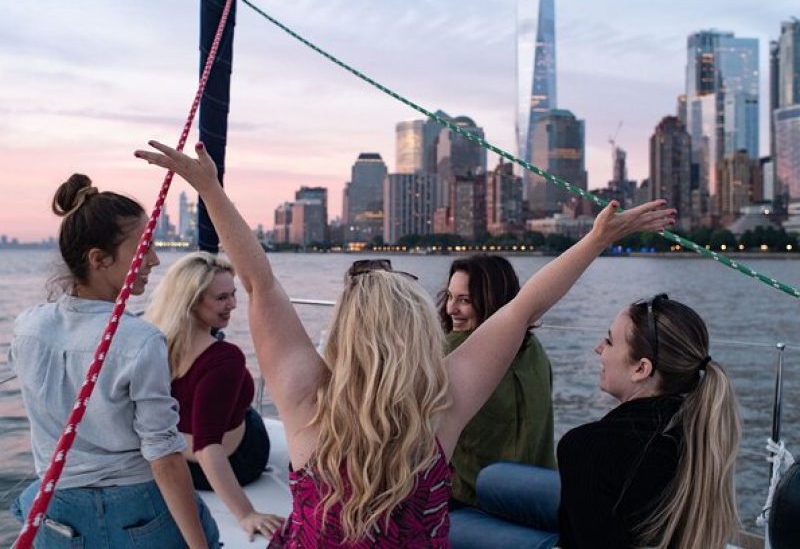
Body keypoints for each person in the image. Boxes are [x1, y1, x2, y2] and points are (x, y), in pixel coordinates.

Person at [135, 140, 673, 548]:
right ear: (419, 331)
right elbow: (525, 306)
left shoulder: (304, 398)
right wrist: (597, 240)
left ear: (345, 330)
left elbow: (259, 282)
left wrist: (209, 188)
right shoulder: (444, 407)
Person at [9, 174, 219, 548]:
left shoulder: (27, 328)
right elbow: (164, 458)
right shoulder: (140, 341)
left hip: (57, 505)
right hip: (136, 507)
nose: (154, 260)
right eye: (143, 248)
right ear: (98, 259)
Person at [453, 295, 741, 549]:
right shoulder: (697, 423)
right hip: (636, 517)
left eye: (609, 341)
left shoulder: (588, 448)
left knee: (455, 526)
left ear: (641, 369)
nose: (598, 348)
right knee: (492, 479)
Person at [144, 252, 284, 540]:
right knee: (249, 413)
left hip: (177, 466)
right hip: (236, 462)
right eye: (221, 298)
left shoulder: (151, 341)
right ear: (192, 301)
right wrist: (246, 513)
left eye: (233, 294)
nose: (232, 304)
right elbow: (208, 447)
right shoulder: (224, 359)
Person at [437, 254, 555, 509]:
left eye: (464, 300)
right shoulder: (533, 348)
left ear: (491, 302)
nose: (450, 309)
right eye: (449, 297)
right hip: (537, 495)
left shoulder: (449, 351)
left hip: (471, 498)